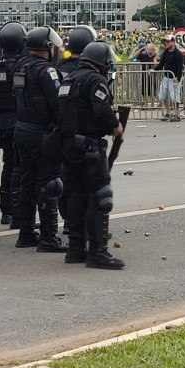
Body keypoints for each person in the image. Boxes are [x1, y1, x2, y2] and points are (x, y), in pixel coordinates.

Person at [59, 40, 124, 269]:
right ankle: (98, 252)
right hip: (90, 146)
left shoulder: (69, 78)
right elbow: (101, 110)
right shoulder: (95, 80)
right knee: (100, 197)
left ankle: (75, 250)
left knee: (76, 197)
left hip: (69, 146)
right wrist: (115, 125)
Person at [13, 26, 66, 251]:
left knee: (27, 182)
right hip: (42, 132)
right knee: (48, 183)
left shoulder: (20, 67)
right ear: (47, 48)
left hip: (21, 129)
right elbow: (58, 103)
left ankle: (25, 233)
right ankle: (48, 237)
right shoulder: (47, 71)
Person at [0, 21, 27, 229]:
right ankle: (17, 211)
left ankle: (6, 211)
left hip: (2, 121)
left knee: (8, 166)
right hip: (21, 120)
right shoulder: (24, 66)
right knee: (21, 168)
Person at [155, 35, 184, 121]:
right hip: (166, 77)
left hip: (174, 78)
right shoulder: (166, 52)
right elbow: (161, 64)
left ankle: (176, 114)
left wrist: (177, 79)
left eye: (168, 42)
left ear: (173, 42)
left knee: (174, 97)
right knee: (162, 96)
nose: (166, 43)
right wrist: (153, 69)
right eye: (165, 42)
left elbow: (180, 68)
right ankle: (168, 113)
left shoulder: (178, 54)